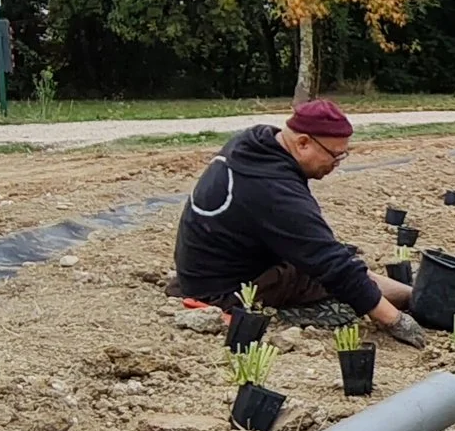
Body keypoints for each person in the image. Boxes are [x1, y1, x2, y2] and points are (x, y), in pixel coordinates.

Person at [172, 100, 425, 343]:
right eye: (335, 156)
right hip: (225, 290)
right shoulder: (273, 189)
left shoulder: (256, 143)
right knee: (335, 280)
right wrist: (396, 321)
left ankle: (413, 295)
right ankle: (417, 301)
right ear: (303, 143)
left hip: (204, 269)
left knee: (332, 257)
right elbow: (331, 264)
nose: (336, 164)